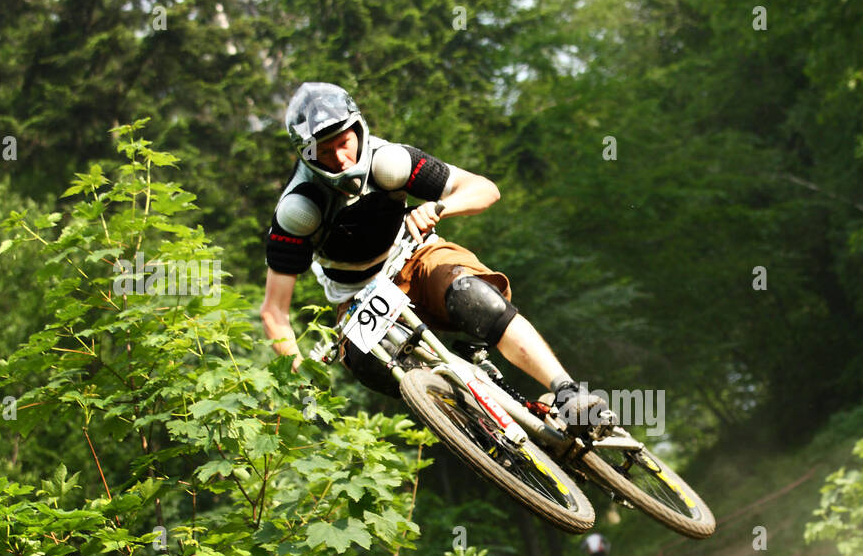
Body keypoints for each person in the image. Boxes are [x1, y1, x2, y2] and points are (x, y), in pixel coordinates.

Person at [259, 82, 608, 428]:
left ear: (358, 129)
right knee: (372, 364)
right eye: (325, 151)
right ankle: (482, 433)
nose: (339, 159)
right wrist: (302, 377)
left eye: (344, 143)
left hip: (416, 256)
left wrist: (439, 207)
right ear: (307, 155)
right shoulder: (298, 209)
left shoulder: (391, 162)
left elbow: (485, 190)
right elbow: (274, 312)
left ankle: (567, 392)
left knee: (473, 297)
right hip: (354, 298)